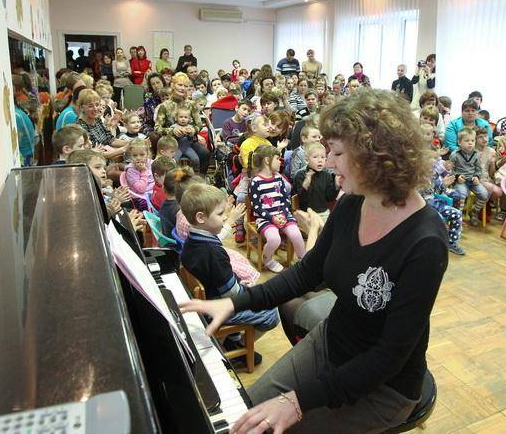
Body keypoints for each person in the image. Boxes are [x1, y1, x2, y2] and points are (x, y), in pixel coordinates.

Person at [180, 89, 448, 433]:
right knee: (244, 419)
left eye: (337, 152)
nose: (329, 161)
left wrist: (297, 402)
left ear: (376, 155)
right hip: (332, 343)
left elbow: (388, 357)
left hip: (383, 388)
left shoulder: (425, 242)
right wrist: (235, 302)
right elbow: (306, 273)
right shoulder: (352, 204)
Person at [180, 183, 279, 347]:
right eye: (220, 214)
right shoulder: (213, 253)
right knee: (271, 313)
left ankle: (232, 338)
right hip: (216, 308)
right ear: (201, 217)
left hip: (208, 300)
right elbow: (231, 294)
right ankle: (241, 346)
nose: (225, 217)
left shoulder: (192, 241)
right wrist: (249, 291)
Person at [249, 145, 307, 272]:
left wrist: (284, 215)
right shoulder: (255, 182)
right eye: (277, 158)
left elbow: (286, 200)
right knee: (275, 239)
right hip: (265, 219)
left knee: (296, 234)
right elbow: (257, 207)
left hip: (283, 215)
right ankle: (267, 259)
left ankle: (304, 260)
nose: (280, 162)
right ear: (267, 160)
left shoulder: (279, 178)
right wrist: (272, 218)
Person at [154, 73, 210, 174]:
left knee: (205, 153)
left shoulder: (192, 104)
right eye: (180, 85)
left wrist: (193, 130)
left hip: (189, 141)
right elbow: (157, 128)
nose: (183, 88)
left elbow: (199, 124)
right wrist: (172, 131)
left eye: (185, 86)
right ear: (172, 85)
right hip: (171, 143)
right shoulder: (164, 106)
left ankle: (200, 179)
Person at [448, 128, 490, 226]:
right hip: (460, 180)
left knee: (484, 194)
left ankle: (474, 212)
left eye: (472, 140)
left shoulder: (476, 154)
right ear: (459, 142)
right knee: (461, 194)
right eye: (467, 141)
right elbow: (450, 170)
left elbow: (478, 169)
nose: (470, 143)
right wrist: (457, 177)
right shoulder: (455, 155)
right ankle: (458, 216)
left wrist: (477, 177)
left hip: (472, 180)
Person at [293, 143, 339, 222]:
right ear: (307, 159)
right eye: (315, 157)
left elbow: (329, 197)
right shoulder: (300, 175)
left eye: (322, 157)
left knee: (333, 225)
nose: (320, 160)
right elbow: (301, 199)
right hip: (307, 213)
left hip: (323, 213)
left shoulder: (327, 175)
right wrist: (305, 185)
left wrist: (336, 186)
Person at [124, 139, 154, 209]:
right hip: (140, 197)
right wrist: (143, 171)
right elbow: (141, 189)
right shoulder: (131, 170)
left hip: (153, 192)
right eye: (135, 155)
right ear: (130, 156)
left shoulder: (151, 163)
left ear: (147, 154)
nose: (138, 158)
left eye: (142, 155)